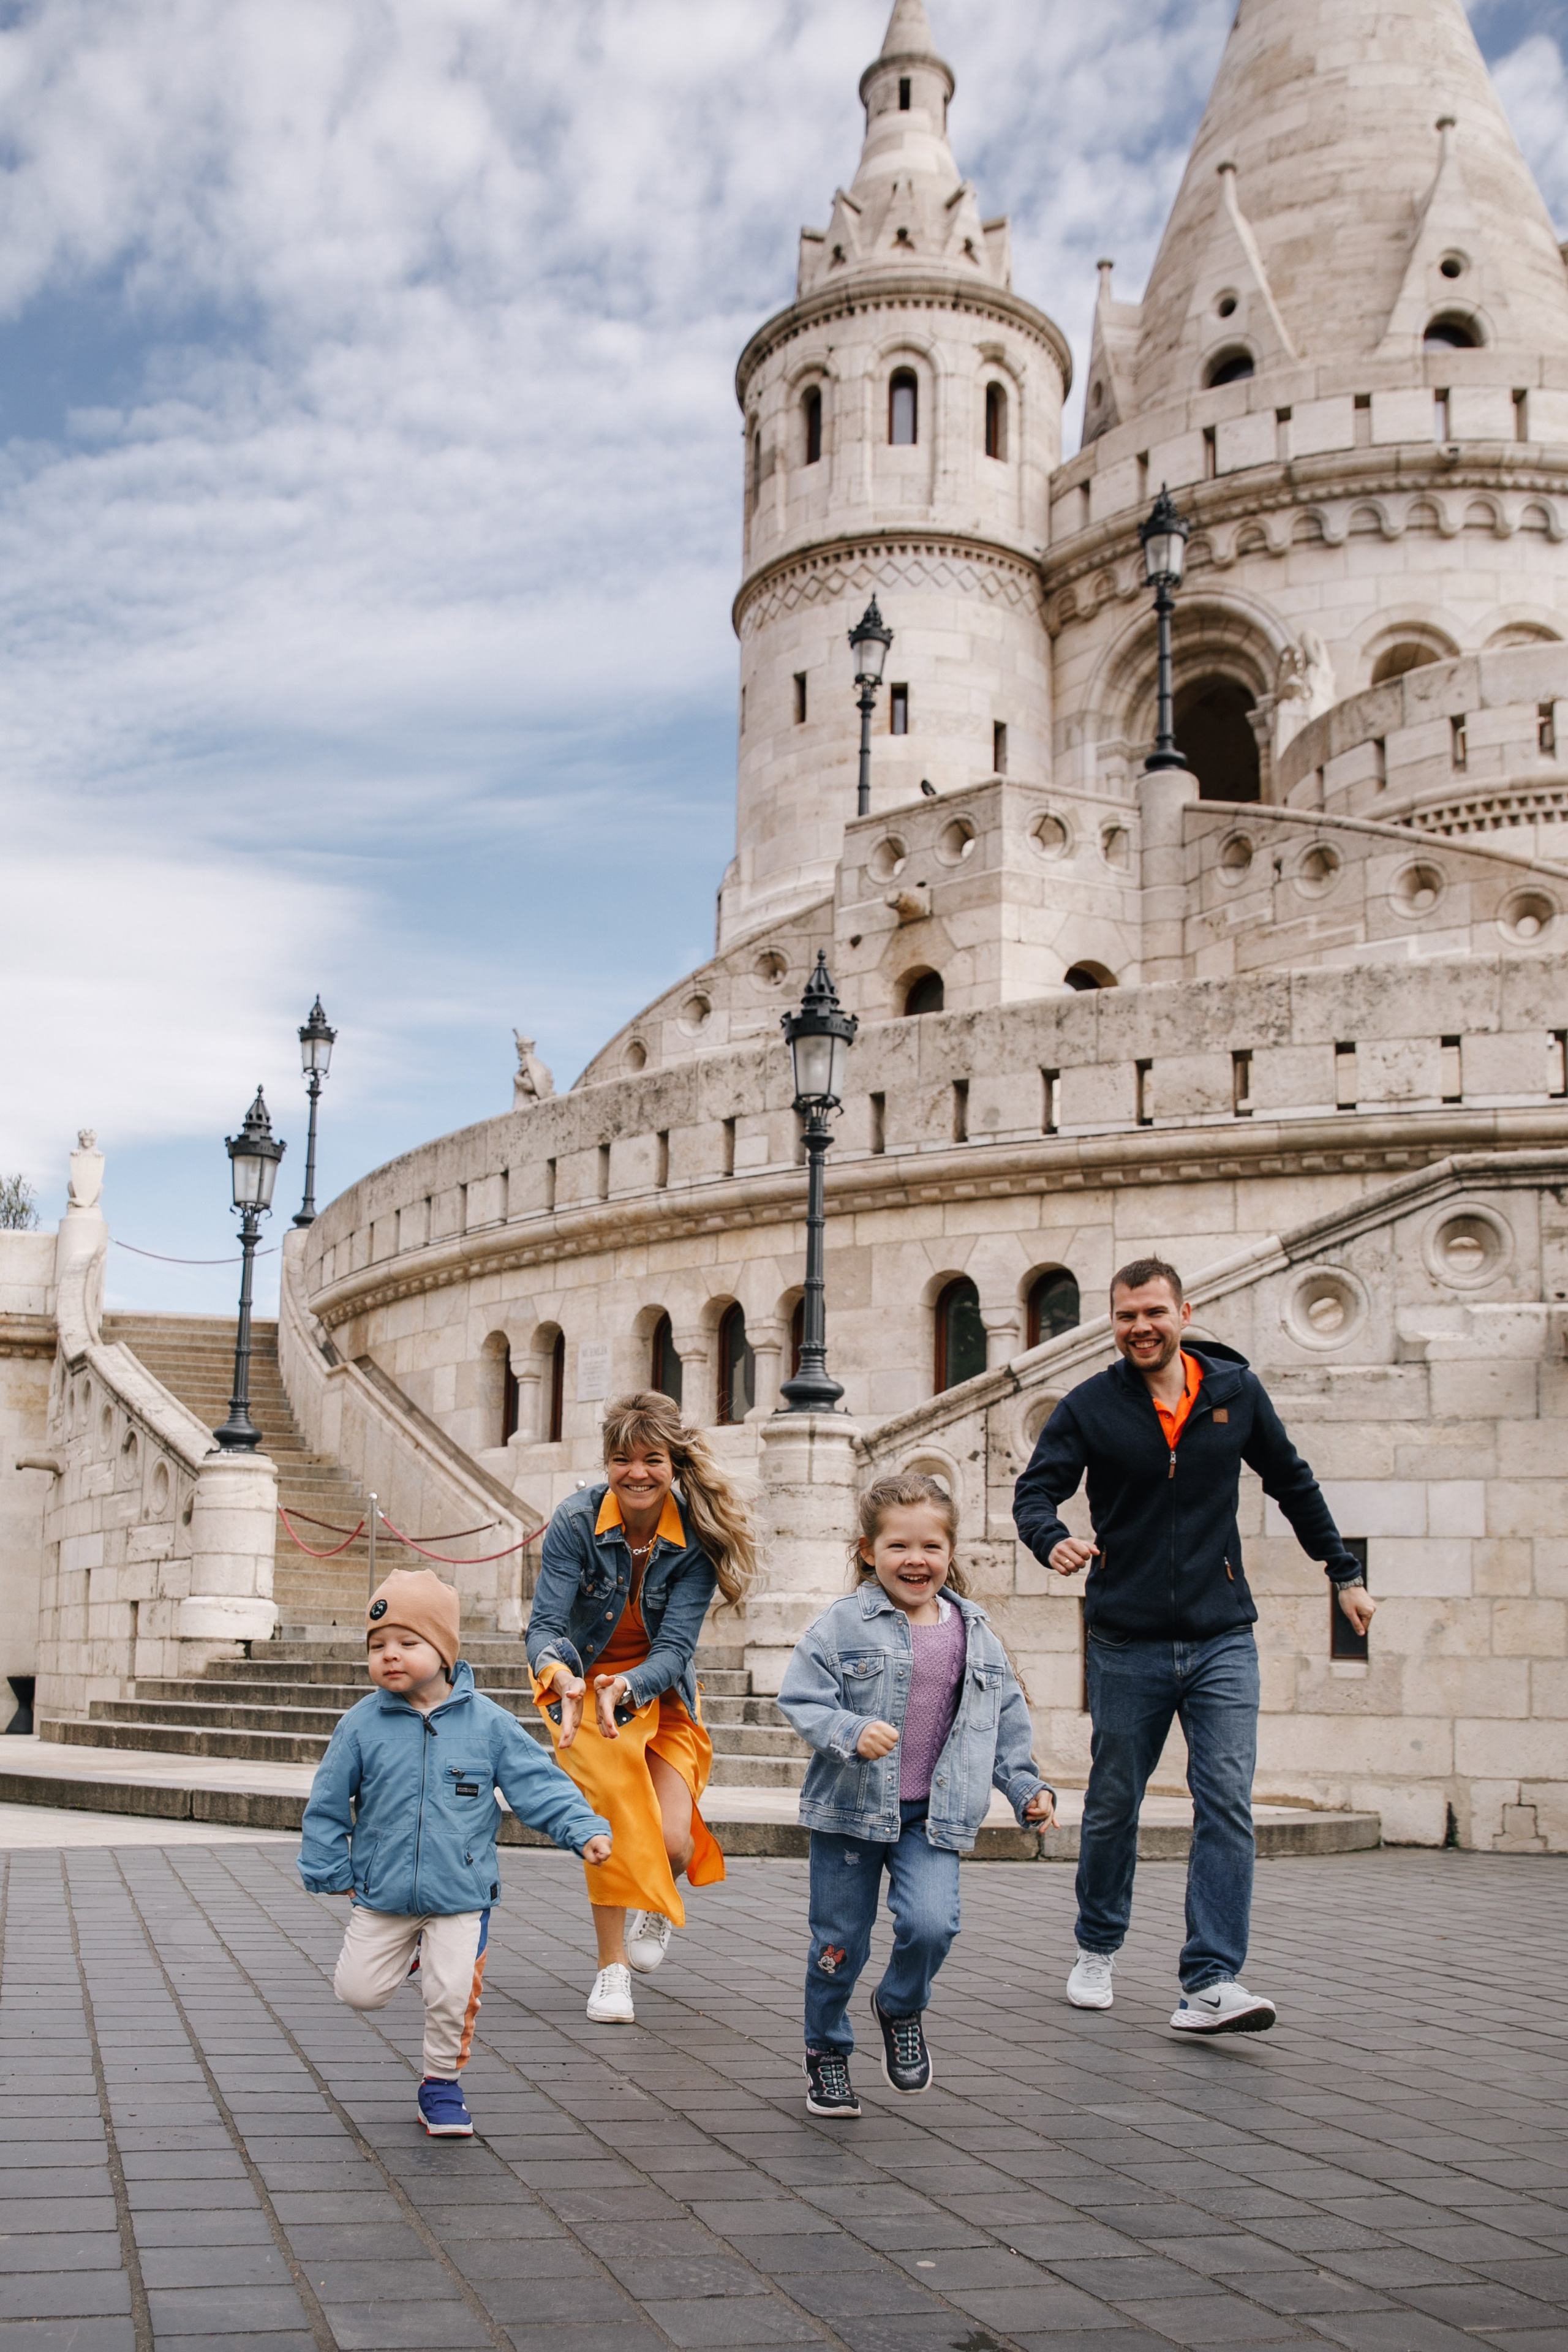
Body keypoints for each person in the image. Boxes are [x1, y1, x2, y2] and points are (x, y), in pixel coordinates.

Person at [1013, 1257, 1376, 2035]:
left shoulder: (1233, 1393)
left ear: (1185, 1311)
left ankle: (1210, 1981)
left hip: (1220, 1638)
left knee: (1225, 1802)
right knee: (1115, 1804)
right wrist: (1052, 1541)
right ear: (1111, 1325)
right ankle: (1096, 1948)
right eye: (1123, 1317)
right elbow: (1035, 1490)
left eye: (1152, 1312)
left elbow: (1292, 1482)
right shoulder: (1088, 1407)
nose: (1138, 1327)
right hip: (1125, 1640)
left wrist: (1343, 1574)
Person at [778, 1473, 1055, 2119]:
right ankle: (826, 2052)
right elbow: (799, 1698)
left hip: (931, 1817)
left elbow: (1002, 1718)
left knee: (933, 1924)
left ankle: (900, 2004)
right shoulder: (842, 1623)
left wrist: (1025, 1787)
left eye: (931, 1546)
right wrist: (849, 1729)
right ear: (868, 1550)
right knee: (839, 1944)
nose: (916, 1560)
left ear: (950, 1553)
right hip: (850, 1813)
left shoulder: (973, 1631)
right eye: (899, 1546)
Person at [298, 1567, 611, 2138]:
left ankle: (440, 2084)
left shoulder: (487, 1724)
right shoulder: (360, 1726)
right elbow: (326, 1802)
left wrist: (583, 1829)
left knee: (451, 1992)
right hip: (382, 1890)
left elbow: (539, 1784)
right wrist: (329, 1866)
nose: (390, 1656)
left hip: (461, 1893)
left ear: (443, 1650)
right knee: (358, 1991)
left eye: (407, 1643)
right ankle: (414, 1954)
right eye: (377, 1646)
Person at [526, 1390, 757, 2025]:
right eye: (622, 1459)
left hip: (657, 1692)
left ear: (673, 1465)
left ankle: (658, 1897)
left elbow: (677, 1646)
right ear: (606, 1463)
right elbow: (544, 1623)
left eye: (652, 1458)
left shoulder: (695, 1540)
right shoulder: (575, 1523)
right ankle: (611, 1972)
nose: (637, 1473)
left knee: (673, 1843)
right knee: (615, 1826)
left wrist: (630, 1687)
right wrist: (560, 1676)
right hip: (584, 1695)